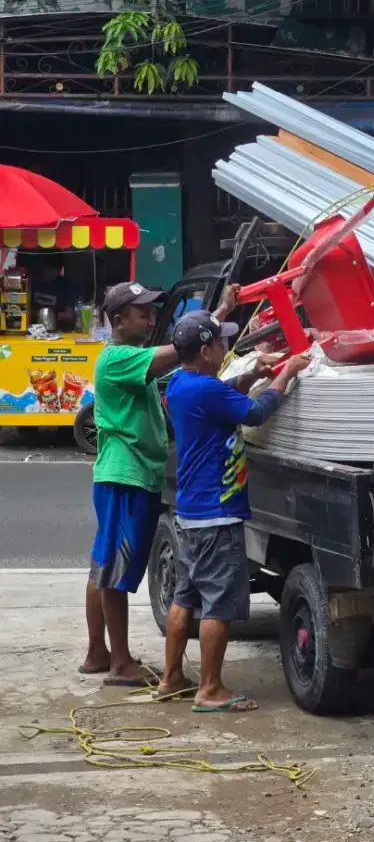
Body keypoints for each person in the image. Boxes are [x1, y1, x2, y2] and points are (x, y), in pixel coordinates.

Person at [81, 281, 240, 685]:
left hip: (128, 475)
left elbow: (183, 349)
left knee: (104, 562)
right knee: (114, 571)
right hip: (126, 476)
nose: (151, 319)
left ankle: (98, 652)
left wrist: (219, 315)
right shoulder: (118, 358)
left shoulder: (132, 356)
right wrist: (213, 323)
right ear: (119, 321)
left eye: (152, 312)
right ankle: (119, 663)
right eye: (143, 314)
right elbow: (182, 350)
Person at [156, 310, 309, 712]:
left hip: (192, 512)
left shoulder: (181, 384)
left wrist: (254, 373)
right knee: (219, 604)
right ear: (206, 350)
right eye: (221, 343)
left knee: (185, 597)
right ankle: (210, 690)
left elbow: (225, 394)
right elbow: (254, 413)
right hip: (217, 514)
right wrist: (287, 372)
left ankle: (171, 678)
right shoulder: (206, 390)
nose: (226, 348)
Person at [32, 257, 80, 330]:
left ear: (59, 271)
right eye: (46, 269)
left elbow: (70, 315)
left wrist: (51, 315)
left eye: (52, 270)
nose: (48, 272)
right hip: (34, 329)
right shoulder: (33, 284)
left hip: (58, 330)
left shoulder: (67, 287)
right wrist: (38, 313)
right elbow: (25, 310)